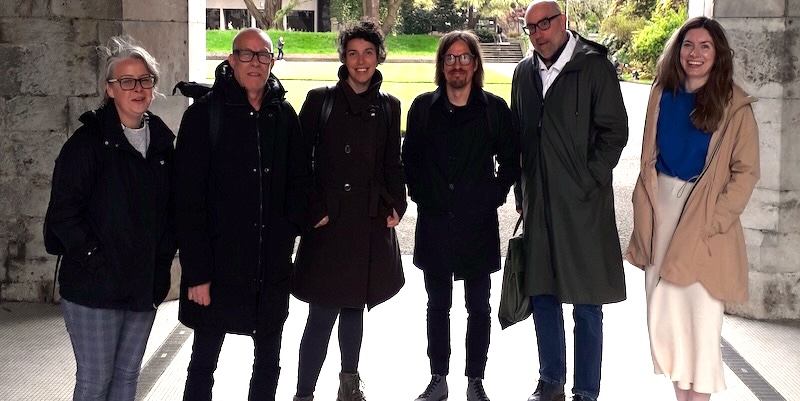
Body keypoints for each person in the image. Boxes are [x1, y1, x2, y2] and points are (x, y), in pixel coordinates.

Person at [626, 17, 760, 401]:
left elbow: (746, 172)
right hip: (661, 215)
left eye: (705, 46)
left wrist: (714, 221)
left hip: (704, 224)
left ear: (718, 55)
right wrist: (644, 208)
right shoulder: (661, 93)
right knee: (665, 324)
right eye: (688, 45)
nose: (695, 53)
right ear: (677, 50)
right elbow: (647, 157)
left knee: (700, 327)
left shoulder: (735, 105)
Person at [173, 28, 310, 401]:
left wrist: (288, 231)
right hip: (217, 267)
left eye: (263, 55)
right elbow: (187, 201)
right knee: (203, 363)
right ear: (231, 60)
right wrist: (197, 274)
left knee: (268, 363)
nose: (255, 63)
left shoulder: (283, 115)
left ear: (272, 61)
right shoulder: (204, 115)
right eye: (246, 55)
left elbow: (300, 182)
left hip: (270, 267)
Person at [44, 35, 176, 401]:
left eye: (145, 80)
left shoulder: (163, 145)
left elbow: (170, 215)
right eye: (126, 81)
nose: (137, 88)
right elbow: (63, 215)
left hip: (142, 285)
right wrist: (95, 261)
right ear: (110, 89)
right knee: (95, 380)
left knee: (126, 378)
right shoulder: (86, 144)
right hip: (93, 288)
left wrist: (161, 265)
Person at [511, 1, 629, 401]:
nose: (538, 33)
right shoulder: (523, 72)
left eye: (544, 24)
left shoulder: (593, 66)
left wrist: (589, 178)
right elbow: (519, 138)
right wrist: (521, 192)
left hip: (583, 205)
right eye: (530, 27)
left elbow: (615, 131)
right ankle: (551, 381)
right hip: (538, 203)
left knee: (586, 303)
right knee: (542, 294)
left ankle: (585, 391)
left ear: (563, 22)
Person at [290, 21, 406, 401]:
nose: (361, 61)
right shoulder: (320, 100)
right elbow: (298, 164)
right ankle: (303, 393)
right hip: (328, 222)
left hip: (368, 221)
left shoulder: (389, 106)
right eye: (353, 53)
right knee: (322, 315)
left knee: (355, 307)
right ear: (343, 58)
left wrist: (397, 203)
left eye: (368, 53)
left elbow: (393, 164)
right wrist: (312, 208)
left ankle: (349, 384)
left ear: (378, 58)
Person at [403, 31, 520, 401]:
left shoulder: (494, 109)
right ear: (442, 65)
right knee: (437, 305)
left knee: (478, 306)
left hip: (477, 224)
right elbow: (410, 160)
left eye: (464, 57)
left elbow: (512, 160)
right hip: (435, 223)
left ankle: (475, 380)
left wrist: (493, 196)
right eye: (450, 58)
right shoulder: (423, 107)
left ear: (475, 63)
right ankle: (438, 378)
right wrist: (422, 196)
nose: (457, 64)